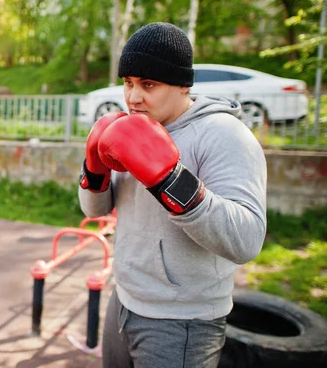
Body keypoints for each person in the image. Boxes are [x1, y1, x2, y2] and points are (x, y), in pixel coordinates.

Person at [78, 22, 267, 368]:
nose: (134, 97)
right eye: (129, 83)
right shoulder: (131, 128)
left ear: (182, 84)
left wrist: (171, 181)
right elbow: (95, 210)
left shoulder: (224, 135)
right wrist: (94, 170)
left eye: (148, 84)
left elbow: (247, 240)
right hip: (123, 300)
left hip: (183, 322)